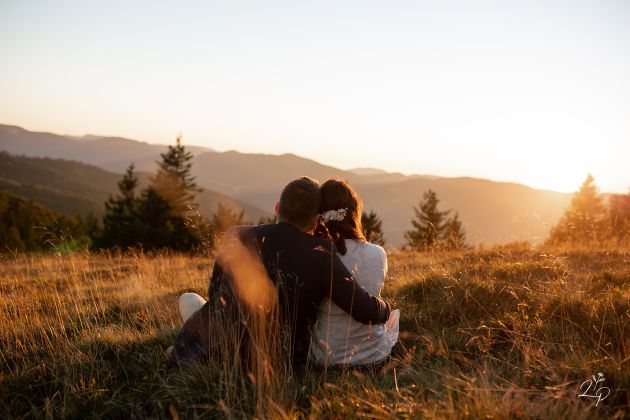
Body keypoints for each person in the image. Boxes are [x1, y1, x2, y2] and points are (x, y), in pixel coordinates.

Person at [171, 176, 391, 368]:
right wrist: (386, 308)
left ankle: (188, 349)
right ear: (316, 221)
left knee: (189, 299)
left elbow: (214, 291)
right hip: (280, 359)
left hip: (220, 344)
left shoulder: (235, 235)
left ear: (277, 208)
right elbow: (361, 308)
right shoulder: (322, 253)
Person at [309, 179, 399, 367]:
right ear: (354, 212)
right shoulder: (378, 253)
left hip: (325, 356)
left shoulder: (316, 254)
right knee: (393, 318)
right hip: (373, 353)